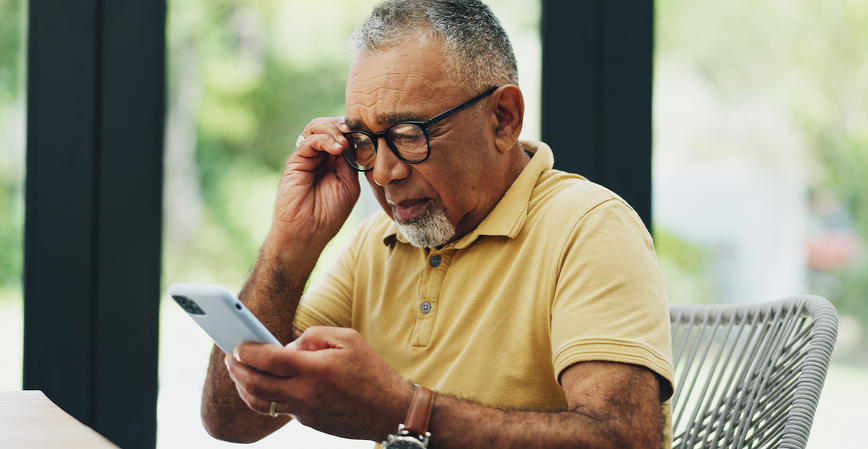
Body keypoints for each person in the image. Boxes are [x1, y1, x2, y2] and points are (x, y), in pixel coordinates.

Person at [201, 0, 674, 448]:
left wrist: (402, 412)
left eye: (410, 135)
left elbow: (623, 439)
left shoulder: (588, 227)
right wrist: (292, 243)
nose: (384, 172)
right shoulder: (376, 242)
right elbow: (232, 420)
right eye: (364, 141)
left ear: (503, 119)